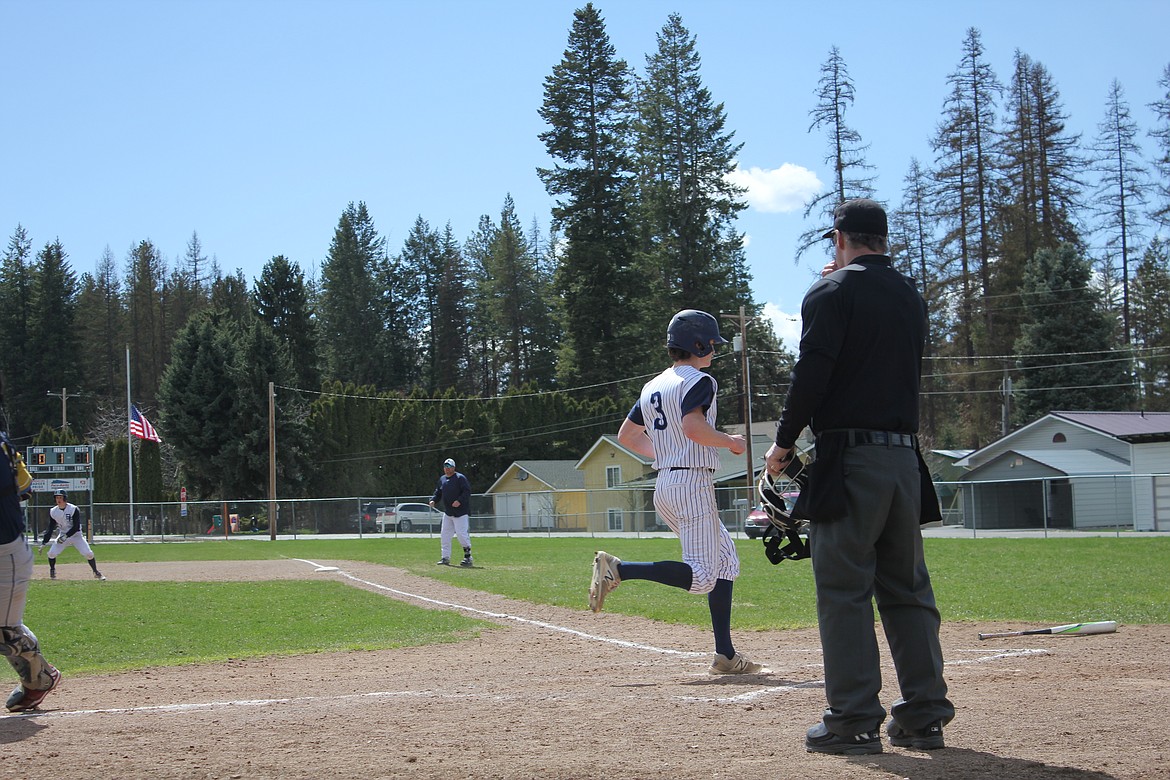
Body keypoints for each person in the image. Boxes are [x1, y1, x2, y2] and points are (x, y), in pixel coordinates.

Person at [763, 199, 954, 755]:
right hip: (904, 463)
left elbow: (813, 371)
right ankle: (924, 718)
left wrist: (782, 441)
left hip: (850, 461)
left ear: (839, 238)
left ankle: (853, 720)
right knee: (907, 590)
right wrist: (840, 281)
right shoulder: (910, 295)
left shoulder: (831, 291)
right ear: (883, 239)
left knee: (844, 591)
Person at [593, 309, 766, 676]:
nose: (714, 350)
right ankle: (619, 569)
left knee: (727, 562)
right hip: (691, 484)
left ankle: (725, 655)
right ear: (697, 345)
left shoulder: (652, 385)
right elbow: (693, 427)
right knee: (702, 578)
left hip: (667, 484)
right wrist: (731, 442)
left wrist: (666, 454)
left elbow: (627, 436)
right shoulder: (700, 380)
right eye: (712, 344)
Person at [1, 381, 61, 712]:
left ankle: (40, 678)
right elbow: (24, 485)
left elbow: (23, 486)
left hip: (4, 555)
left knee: (4, 632)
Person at [41, 490, 106, 581]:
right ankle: (52, 570)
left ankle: (96, 572)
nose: (58, 500)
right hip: (63, 534)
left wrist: (65, 537)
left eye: (60, 497)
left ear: (65, 498)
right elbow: (50, 527)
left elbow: (76, 527)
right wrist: (44, 542)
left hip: (76, 535)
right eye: (57, 497)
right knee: (51, 553)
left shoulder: (73, 509)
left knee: (89, 554)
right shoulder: (53, 511)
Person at [429, 458, 473, 567]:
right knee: (445, 535)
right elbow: (438, 492)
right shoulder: (442, 479)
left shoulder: (460, 478)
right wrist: (433, 500)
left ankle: (468, 557)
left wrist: (459, 501)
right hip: (448, 512)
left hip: (461, 512)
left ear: (454, 467)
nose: (447, 469)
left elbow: (467, 491)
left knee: (461, 534)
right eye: (445, 467)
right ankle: (445, 557)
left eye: (449, 467)